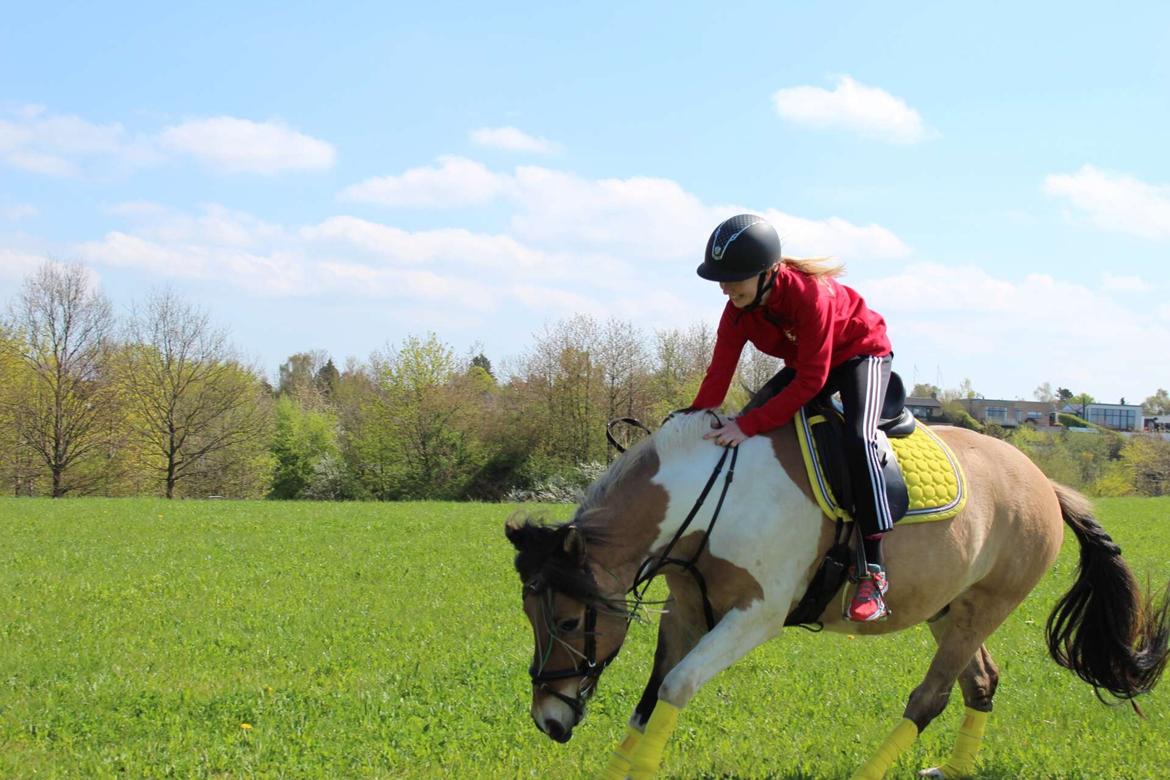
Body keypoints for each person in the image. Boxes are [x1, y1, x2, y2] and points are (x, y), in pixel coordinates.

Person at [691, 213, 895, 622]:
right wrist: (694, 422)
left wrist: (745, 425)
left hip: (861, 354)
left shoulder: (809, 296)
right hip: (810, 363)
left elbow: (810, 381)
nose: (725, 288)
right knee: (750, 421)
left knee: (857, 437)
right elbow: (718, 375)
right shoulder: (736, 311)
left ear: (767, 273)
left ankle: (873, 570)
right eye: (721, 279)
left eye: (735, 278)